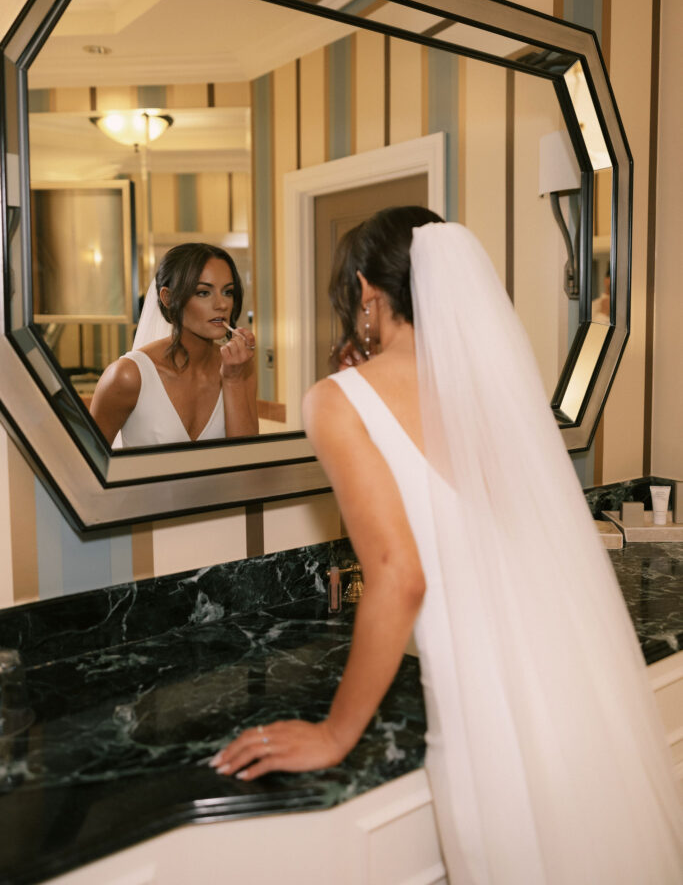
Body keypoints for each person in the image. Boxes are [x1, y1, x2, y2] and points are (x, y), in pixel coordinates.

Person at [210, 208, 683, 883]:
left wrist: (334, 733)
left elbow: (400, 577)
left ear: (368, 294)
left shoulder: (336, 400)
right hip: (577, 687)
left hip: (490, 708)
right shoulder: (495, 393)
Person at [90, 243, 257, 447]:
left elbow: (247, 464)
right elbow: (86, 468)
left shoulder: (240, 368)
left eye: (228, 292)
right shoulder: (127, 376)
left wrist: (233, 381)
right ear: (168, 298)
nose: (222, 305)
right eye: (204, 293)